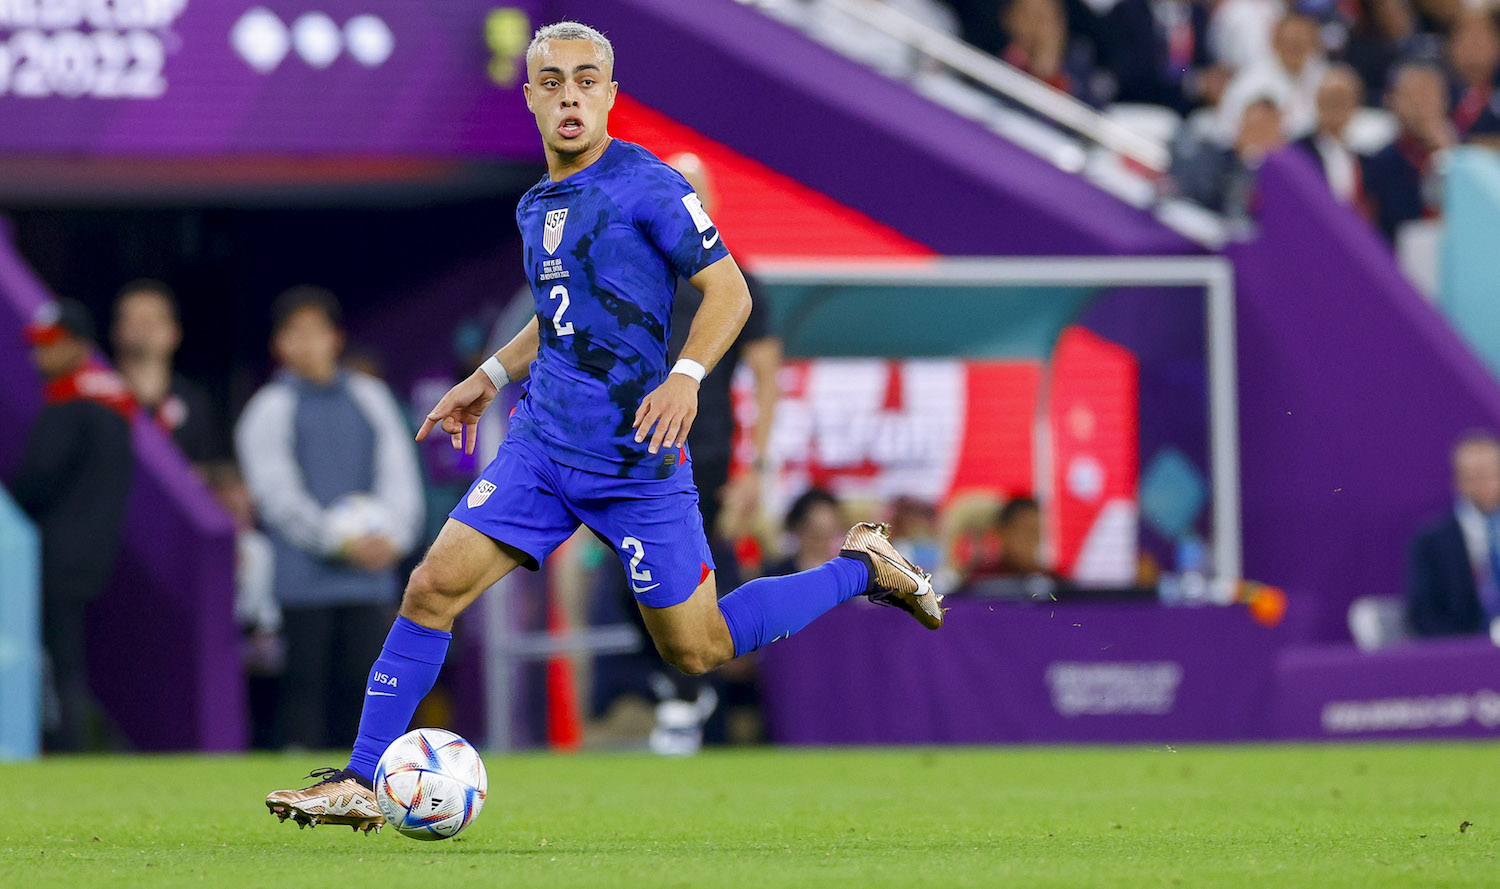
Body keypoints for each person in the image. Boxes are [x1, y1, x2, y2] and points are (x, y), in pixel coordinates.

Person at [264, 21, 942, 832]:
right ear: (532, 99)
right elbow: (561, 321)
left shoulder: (649, 185)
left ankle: (862, 567)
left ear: (611, 96)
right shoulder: (535, 205)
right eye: (553, 82)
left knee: (697, 646)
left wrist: (687, 377)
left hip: (638, 463)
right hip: (545, 448)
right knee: (431, 586)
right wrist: (486, 377)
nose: (571, 95)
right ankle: (363, 776)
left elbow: (731, 294)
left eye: (587, 80)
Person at [236, 286, 424, 752]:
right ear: (279, 345)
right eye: (293, 334)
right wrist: (337, 539)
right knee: (303, 688)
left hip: (368, 577)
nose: (306, 344)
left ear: (335, 338)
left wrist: (393, 537)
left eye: (314, 331)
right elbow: (277, 494)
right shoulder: (269, 407)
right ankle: (302, 791)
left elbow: (400, 476)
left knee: (364, 687)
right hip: (304, 582)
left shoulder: (370, 396)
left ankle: (362, 783)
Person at [10, 299, 135, 751]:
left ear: (79, 346)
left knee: (57, 660)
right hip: (95, 552)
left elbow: (36, 482)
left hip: (54, 555)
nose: (37, 356)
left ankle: (66, 745)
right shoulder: (114, 402)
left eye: (50, 346)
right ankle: (73, 741)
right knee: (70, 659)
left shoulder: (69, 405)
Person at [110, 279, 222, 469]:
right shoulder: (97, 399)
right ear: (116, 331)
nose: (144, 328)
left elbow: (203, 473)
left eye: (153, 320)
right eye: (134, 319)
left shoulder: (193, 403)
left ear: (174, 333)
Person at [1407, 433, 1500, 637]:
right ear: (1459, 481)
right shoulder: (1432, 541)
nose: (1487, 483)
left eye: (1492, 473)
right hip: (1468, 646)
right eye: (1476, 476)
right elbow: (1424, 614)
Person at [1364, 61, 1454, 242]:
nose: (1420, 106)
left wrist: (1450, 157)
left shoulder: (1467, 160)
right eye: (1411, 96)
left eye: (1428, 96)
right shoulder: (1376, 165)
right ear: (1391, 101)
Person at [1293, 65, 1367, 205]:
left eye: (1343, 101)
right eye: (1331, 100)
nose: (1337, 107)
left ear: (1356, 105)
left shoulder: (1366, 152)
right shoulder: (1298, 152)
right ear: (1317, 103)